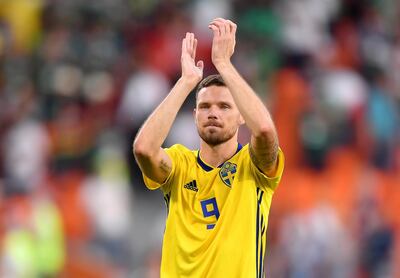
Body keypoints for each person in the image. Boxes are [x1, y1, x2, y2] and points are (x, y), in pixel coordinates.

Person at [133, 18, 285, 277]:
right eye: (205, 107)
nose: (213, 113)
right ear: (194, 115)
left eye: (224, 106)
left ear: (241, 116)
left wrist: (224, 65)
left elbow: (265, 131)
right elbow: (144, 149)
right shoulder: (180, 164)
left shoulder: (254, 167)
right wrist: (186, 82)